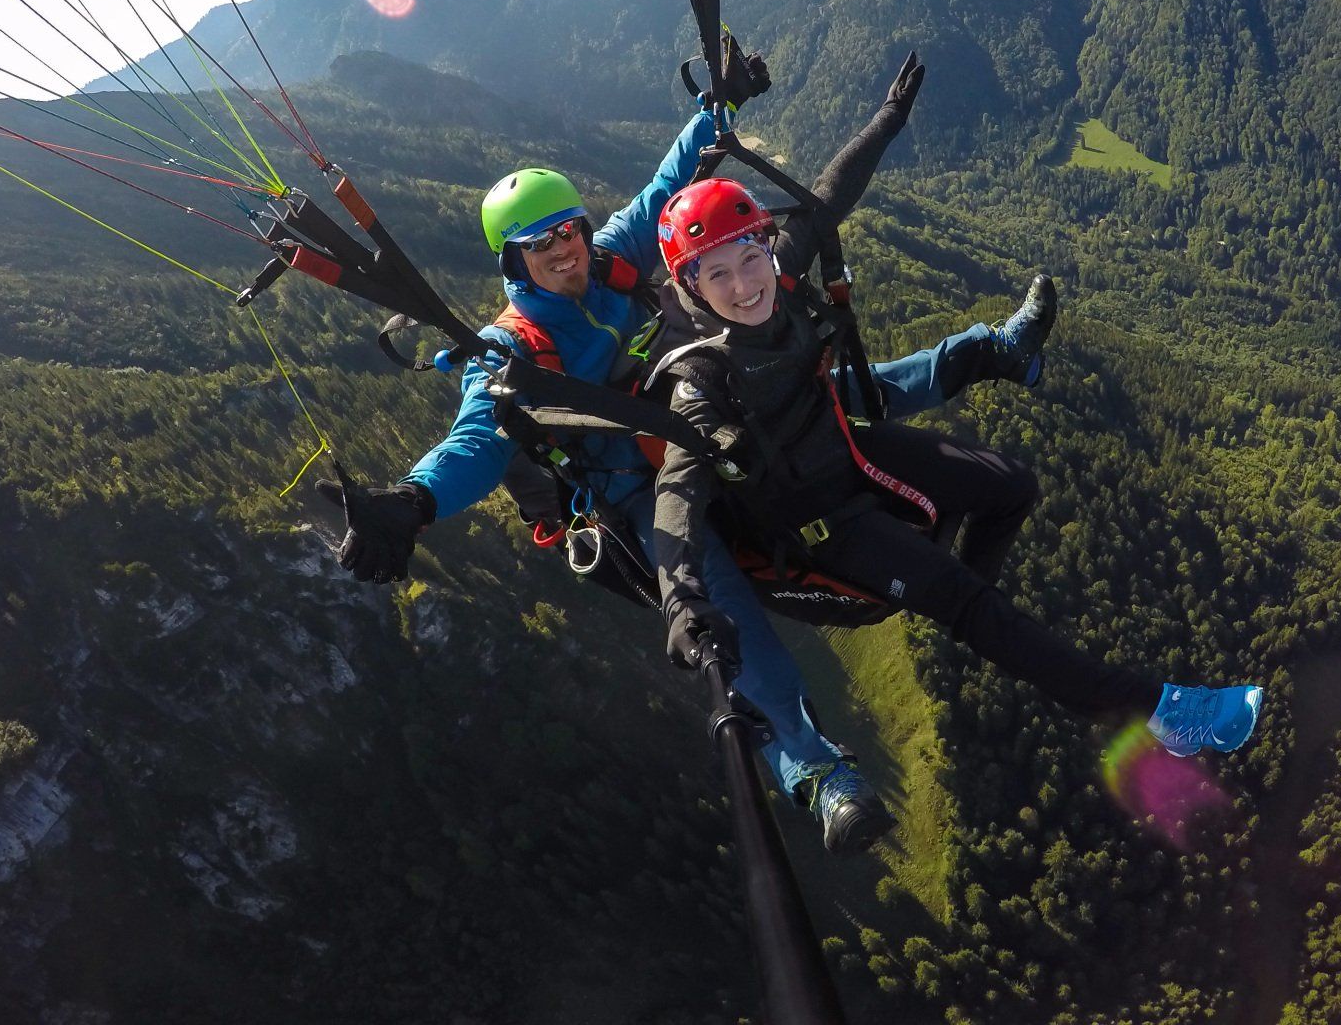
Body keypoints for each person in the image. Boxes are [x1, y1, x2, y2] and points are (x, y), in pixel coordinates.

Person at [322, 55, 1049, 851]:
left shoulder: (612, 255)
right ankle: (813, 769)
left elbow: (671, 177)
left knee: (841, 389)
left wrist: (716, 104)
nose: (565, 250)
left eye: (568, 229)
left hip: (713, 412)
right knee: (716, 601)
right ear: (511, 262)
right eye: (540, 244)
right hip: (640, 485)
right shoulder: (512, 347)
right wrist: (415, 501)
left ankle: (994, 351)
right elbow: (480, 439)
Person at [645, 176, 1265, 819]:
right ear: (691, 285)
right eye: (718, 275)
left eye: (751, 258)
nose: (745, 285)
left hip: (846, 450)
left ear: (767, 248)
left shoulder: (779, 279)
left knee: (1011, 487)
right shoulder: (699, 383)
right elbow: (677, 494)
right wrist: (682, 598)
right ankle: (1155, 710)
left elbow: (828, 196)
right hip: (822, 521)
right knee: (971, 604)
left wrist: (890, 116)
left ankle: (967, 603)